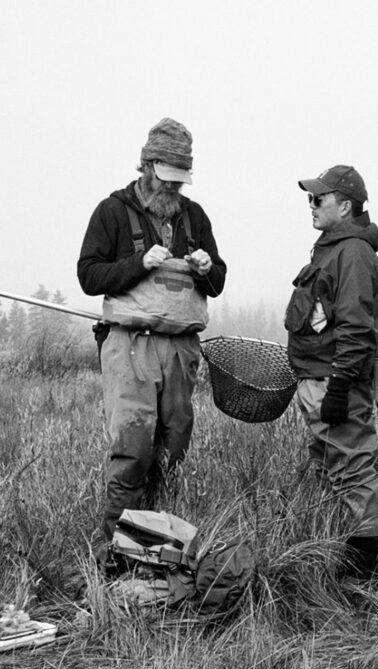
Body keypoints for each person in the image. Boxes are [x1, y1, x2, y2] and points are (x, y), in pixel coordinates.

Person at [77, 118, 226, 545]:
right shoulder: (111, 212)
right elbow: (89, 275)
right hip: (130, 347)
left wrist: (206, 268)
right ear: (147, 165)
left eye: (180, 181)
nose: (173, 189)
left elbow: (217, 282)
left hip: (181, 350)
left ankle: (157, 546)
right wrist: (136, 265)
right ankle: (114, 552)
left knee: (172, 447)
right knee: (133, 449)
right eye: (167, 178)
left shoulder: (195, 217)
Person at [284, 165, 378, 578]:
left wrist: (341, 387)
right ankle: (331, 557)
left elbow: (360, 328)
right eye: (310, 197)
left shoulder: (353, 253)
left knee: (353, 471)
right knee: (331, 469)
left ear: (344, 206)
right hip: (320, 379)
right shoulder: (333, 247)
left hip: (332, 382)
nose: (311, 205)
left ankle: (363, 573)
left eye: (318, 198)